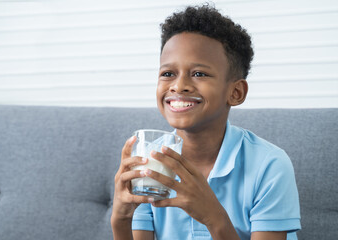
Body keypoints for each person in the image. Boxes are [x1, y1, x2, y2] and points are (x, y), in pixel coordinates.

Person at [111, 4, 301, 240]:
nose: (179, 86)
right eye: (168, 73)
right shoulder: (151, 161)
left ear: (236, 93)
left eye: (199, 74)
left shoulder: (269, 165)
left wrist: (213, 217)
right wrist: (120, 218)